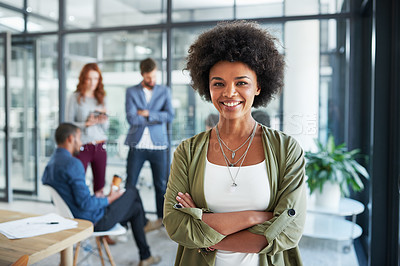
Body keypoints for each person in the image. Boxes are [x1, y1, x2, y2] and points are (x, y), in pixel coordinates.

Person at [163, 21, 307, 266]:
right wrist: (256, 217)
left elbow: (288, 231)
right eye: (218, 83)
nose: (229, 93)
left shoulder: (286, 150)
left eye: (241, 82)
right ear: (208, 88)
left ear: (259, 86)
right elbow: (176, 224)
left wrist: (203, 226)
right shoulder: (187, 152)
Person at [42, 123, 161, 266]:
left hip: (72, 217)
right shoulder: (73, 164)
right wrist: (110, 198)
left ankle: (145, 255)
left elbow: (70, 198)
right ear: (70, 139)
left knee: (135, 209)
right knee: (132, 191)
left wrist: (99, 198)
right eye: (80, 138)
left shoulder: (51, 164)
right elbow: (86, 204)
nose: (81, 143)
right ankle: (144, 226)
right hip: (92, 221)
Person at [125, 58, 174, 226]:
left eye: (154, 76)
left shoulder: (164, 91)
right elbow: (131, 118)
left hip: (159, 145)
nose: (151, 80)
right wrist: (156, 117)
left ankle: (162, 220)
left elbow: (170, 116)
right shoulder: (131, 92)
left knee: (161, 185)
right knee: (130, 184)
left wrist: (146, 113)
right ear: (141, 75)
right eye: (148, 77)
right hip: (137, 145)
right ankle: (128, 221)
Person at [66, 63, 108, 196]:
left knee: (100, 187)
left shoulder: (101, 98)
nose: (92, 83)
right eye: (89, 79)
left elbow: (105, 128)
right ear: (83, 79)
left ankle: (98, 216)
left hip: (100, 145)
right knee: (78, 183)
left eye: (95, 79)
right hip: (82, 146)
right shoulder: (75, 98)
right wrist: (86, 124)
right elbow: (68, 124)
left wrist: (103, 120)